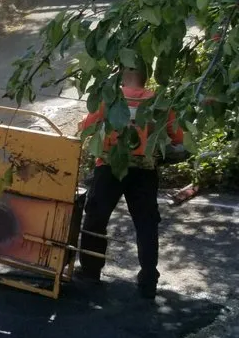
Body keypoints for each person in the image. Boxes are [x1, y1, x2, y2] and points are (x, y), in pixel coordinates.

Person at [76, 62, 184, 299]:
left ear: (123, 77)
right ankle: (148, 279)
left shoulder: (111, 99)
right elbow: (178, 139)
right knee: (146, 224)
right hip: (145, 172)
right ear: (146, 79)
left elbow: (85, 128)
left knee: (96, 219)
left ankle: (90, 272)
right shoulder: (159, 103)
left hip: (110, 167)